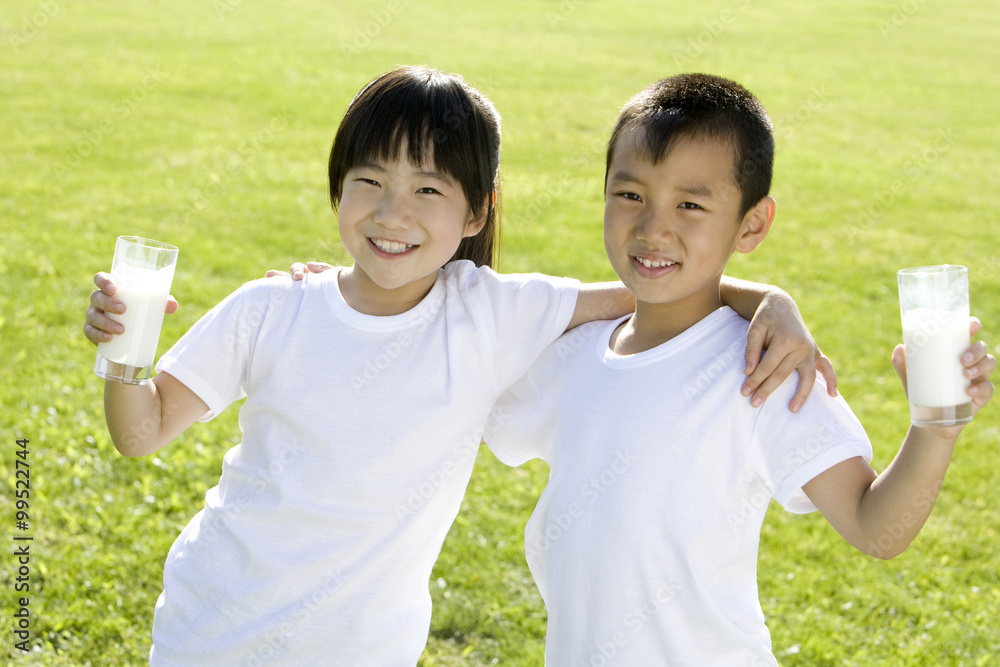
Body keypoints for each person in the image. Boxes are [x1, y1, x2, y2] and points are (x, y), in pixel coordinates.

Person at [85, 66, 831, 665]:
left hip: (365, 649)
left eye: (429, 190)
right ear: (337, 187)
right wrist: (124, 357)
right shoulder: (271, 308)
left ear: (476, 212)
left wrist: (766, 295)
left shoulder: (488, 312)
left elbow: (647, 284)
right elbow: (141, 431)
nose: (391, 214)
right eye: (369, 181)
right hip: (210, 628)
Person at [483, 72, 996, 666]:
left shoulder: (764, 368)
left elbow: (875, 528)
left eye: (691, 204)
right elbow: (472, 374)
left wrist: (934, 432)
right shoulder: (573, 354)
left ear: (751, 225)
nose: (653, 227)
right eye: (630, 195)